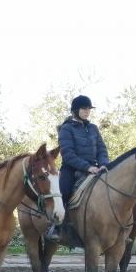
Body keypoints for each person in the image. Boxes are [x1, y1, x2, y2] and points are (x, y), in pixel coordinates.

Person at [49, 94, 109, 241]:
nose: (87, 111)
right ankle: (56, 227)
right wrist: (87, 167)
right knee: (63, 192)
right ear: (75, 110)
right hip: (71, 169)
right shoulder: (66, 129)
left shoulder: (93, 128)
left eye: (89, 109)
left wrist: (103, 164)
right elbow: (68, 154)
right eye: (84, 108)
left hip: (95, 168)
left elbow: (102, 149)